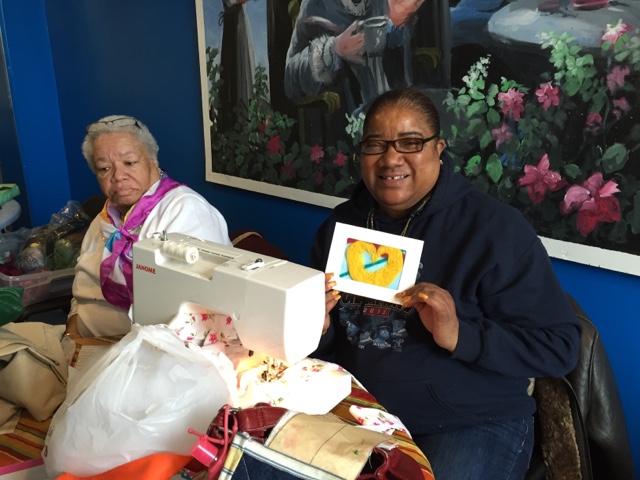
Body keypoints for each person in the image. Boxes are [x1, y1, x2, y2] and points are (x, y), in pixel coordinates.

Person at [310, 88, 582, 479]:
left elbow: (560, 347)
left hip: (470, 420)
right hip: (358, 412)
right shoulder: (339, 226)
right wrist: (315, 327)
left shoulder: (496, 230)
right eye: (375, 145)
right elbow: (325, 347)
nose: (391, 159)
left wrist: (459, 334)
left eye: (410, 142)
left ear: (438, 149)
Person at [63, 115, 231, 339]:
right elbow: (83, 285)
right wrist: (71, 334)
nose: (118, 176)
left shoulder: (185, 210)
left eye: (130, 163)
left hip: (141, 349)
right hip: (82, 341)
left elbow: (193, 318)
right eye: (104, 168)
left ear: (153, 161)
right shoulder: (105, 218)